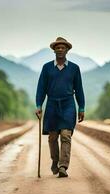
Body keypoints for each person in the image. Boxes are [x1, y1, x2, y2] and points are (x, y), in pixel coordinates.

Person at [35, 37, 85, 178]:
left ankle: (63, 166)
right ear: (54, 50)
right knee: (52, 137)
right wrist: (39, 105)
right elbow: (41, 89)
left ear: (67, 50)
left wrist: (81, 108)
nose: (60, 50)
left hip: (68, 104)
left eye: (63, 47)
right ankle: (55, 161)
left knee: (65, 135)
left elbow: (79, 89)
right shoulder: (47, 68)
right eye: (58, 47)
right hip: (52, 104)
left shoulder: (74, 68)